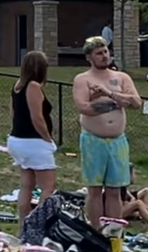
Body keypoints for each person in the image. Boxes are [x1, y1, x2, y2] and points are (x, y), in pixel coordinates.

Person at [72, 36, 141, 229]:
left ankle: (114, 232)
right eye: (99, 53)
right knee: (94, 189)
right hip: (93, 140)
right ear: (89, 57)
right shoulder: (83, 79)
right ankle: (95, 230)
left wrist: (108, 94)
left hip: (118, 141)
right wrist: (116, 102)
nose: (104, 56)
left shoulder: (121, 78)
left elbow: (136, 102)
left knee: (114, 190)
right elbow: (83, 107)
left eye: (105, 52)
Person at [8, 51, 57, 223]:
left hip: (17, 139)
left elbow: (13, 113)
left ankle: (24, 223)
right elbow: (37, 117)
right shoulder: (33, 87)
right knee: (48, 186)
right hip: (34, 141)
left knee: (27, 184)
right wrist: (48, 139)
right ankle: (39, 223)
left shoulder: (18, 85)